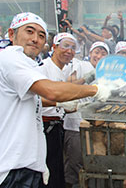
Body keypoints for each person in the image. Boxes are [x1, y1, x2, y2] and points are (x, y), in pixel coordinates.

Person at [0, 12, 110, 188]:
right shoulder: (11, 57)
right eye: (29, 31)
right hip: (14, 167)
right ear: (12, 34)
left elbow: (34, 100)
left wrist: (60, 103)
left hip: (27, 163)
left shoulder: (30, 64)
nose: (35, 39)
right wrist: (95, 90)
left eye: (41, 35)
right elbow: (50, 90)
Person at [63, 41, 109, 188]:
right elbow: (69, 86)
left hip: (96, 128)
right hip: (75, 125)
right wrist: (87, 78)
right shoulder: (80, 65)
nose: (99, 56)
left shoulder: (108, 73)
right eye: (96, 52)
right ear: (89, 54)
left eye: (103, 53)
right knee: (74, 164)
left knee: (93, 165)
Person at [38, 32, 81, 188]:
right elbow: (34, 99)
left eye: (73, 48)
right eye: (65, 46)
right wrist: (58, 103)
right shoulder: (43, 68)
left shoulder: (64, 71)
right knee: (47, 171)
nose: (69, 51)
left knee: (57, 170)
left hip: (57, 126)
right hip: (43, 128)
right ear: (54, 47)